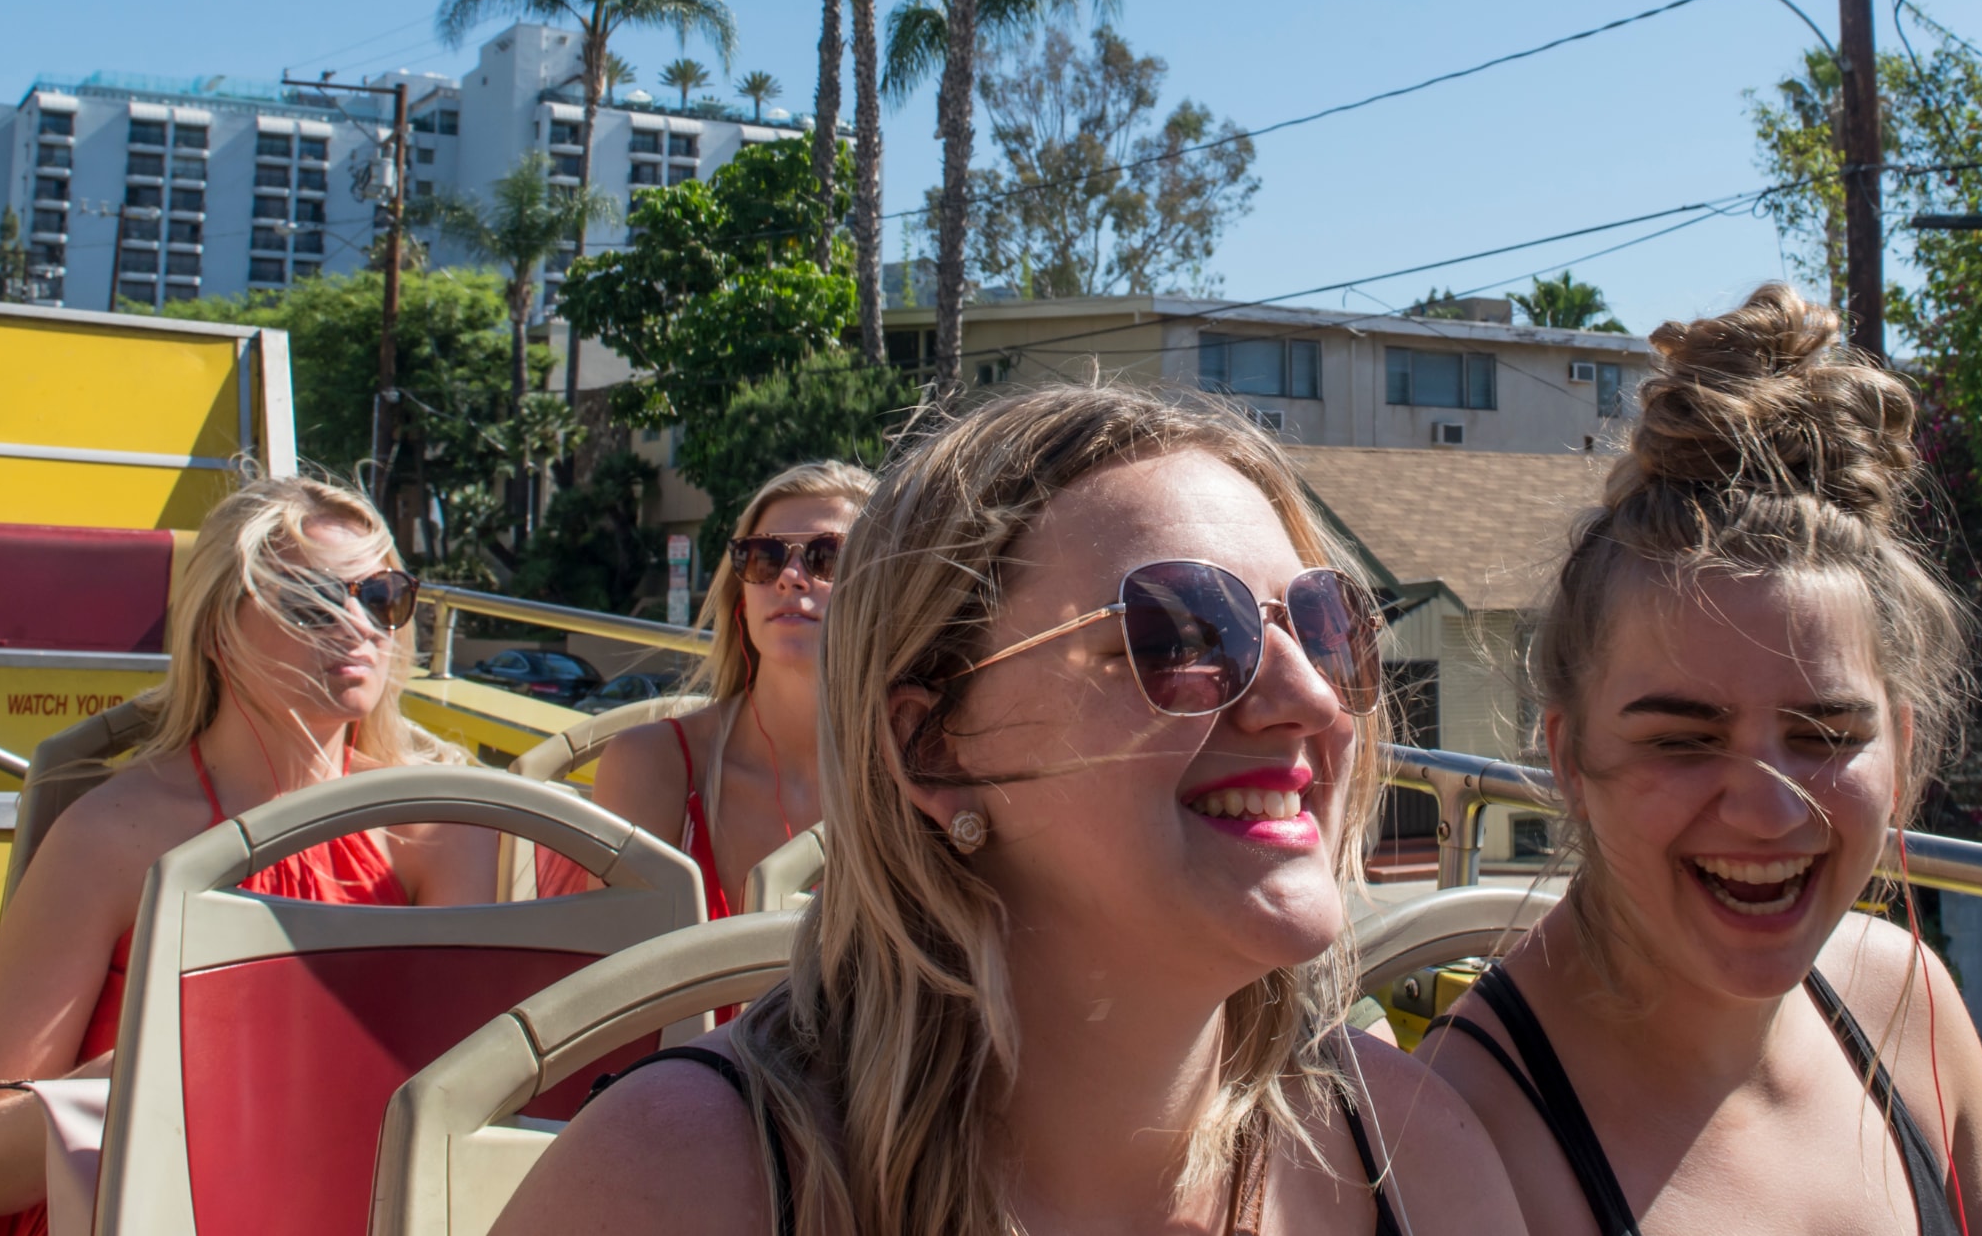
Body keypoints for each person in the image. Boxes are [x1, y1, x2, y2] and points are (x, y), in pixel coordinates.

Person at [495, 385, 1526, 1236]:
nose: (1308, 697)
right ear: (935, 745)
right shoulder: (674, 1185)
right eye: (1180, 634)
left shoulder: (1411, 1159)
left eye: (1324, 626)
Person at [1416, 285, 1982, 1236]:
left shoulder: (1910, 1009)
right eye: (1683, 740)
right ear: (1570, 757)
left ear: (1899, 749)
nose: (1769, 813)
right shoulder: (1463, 1137)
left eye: (1825, 735)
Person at [0, 477, 498, 1233]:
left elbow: (463, 1108)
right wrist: (187, 1050)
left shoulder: (438, 826)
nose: (359, 625)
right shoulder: (115, 836)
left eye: (382, 596)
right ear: (215, 628)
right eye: (309, 600)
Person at [581, 460, 874, 918]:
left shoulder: (920, 775)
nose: (790, 576)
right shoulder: (654, 768)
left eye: (828, 556)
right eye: (764, 556)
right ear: (741, 594)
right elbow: (622, 980)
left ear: (886, 586)